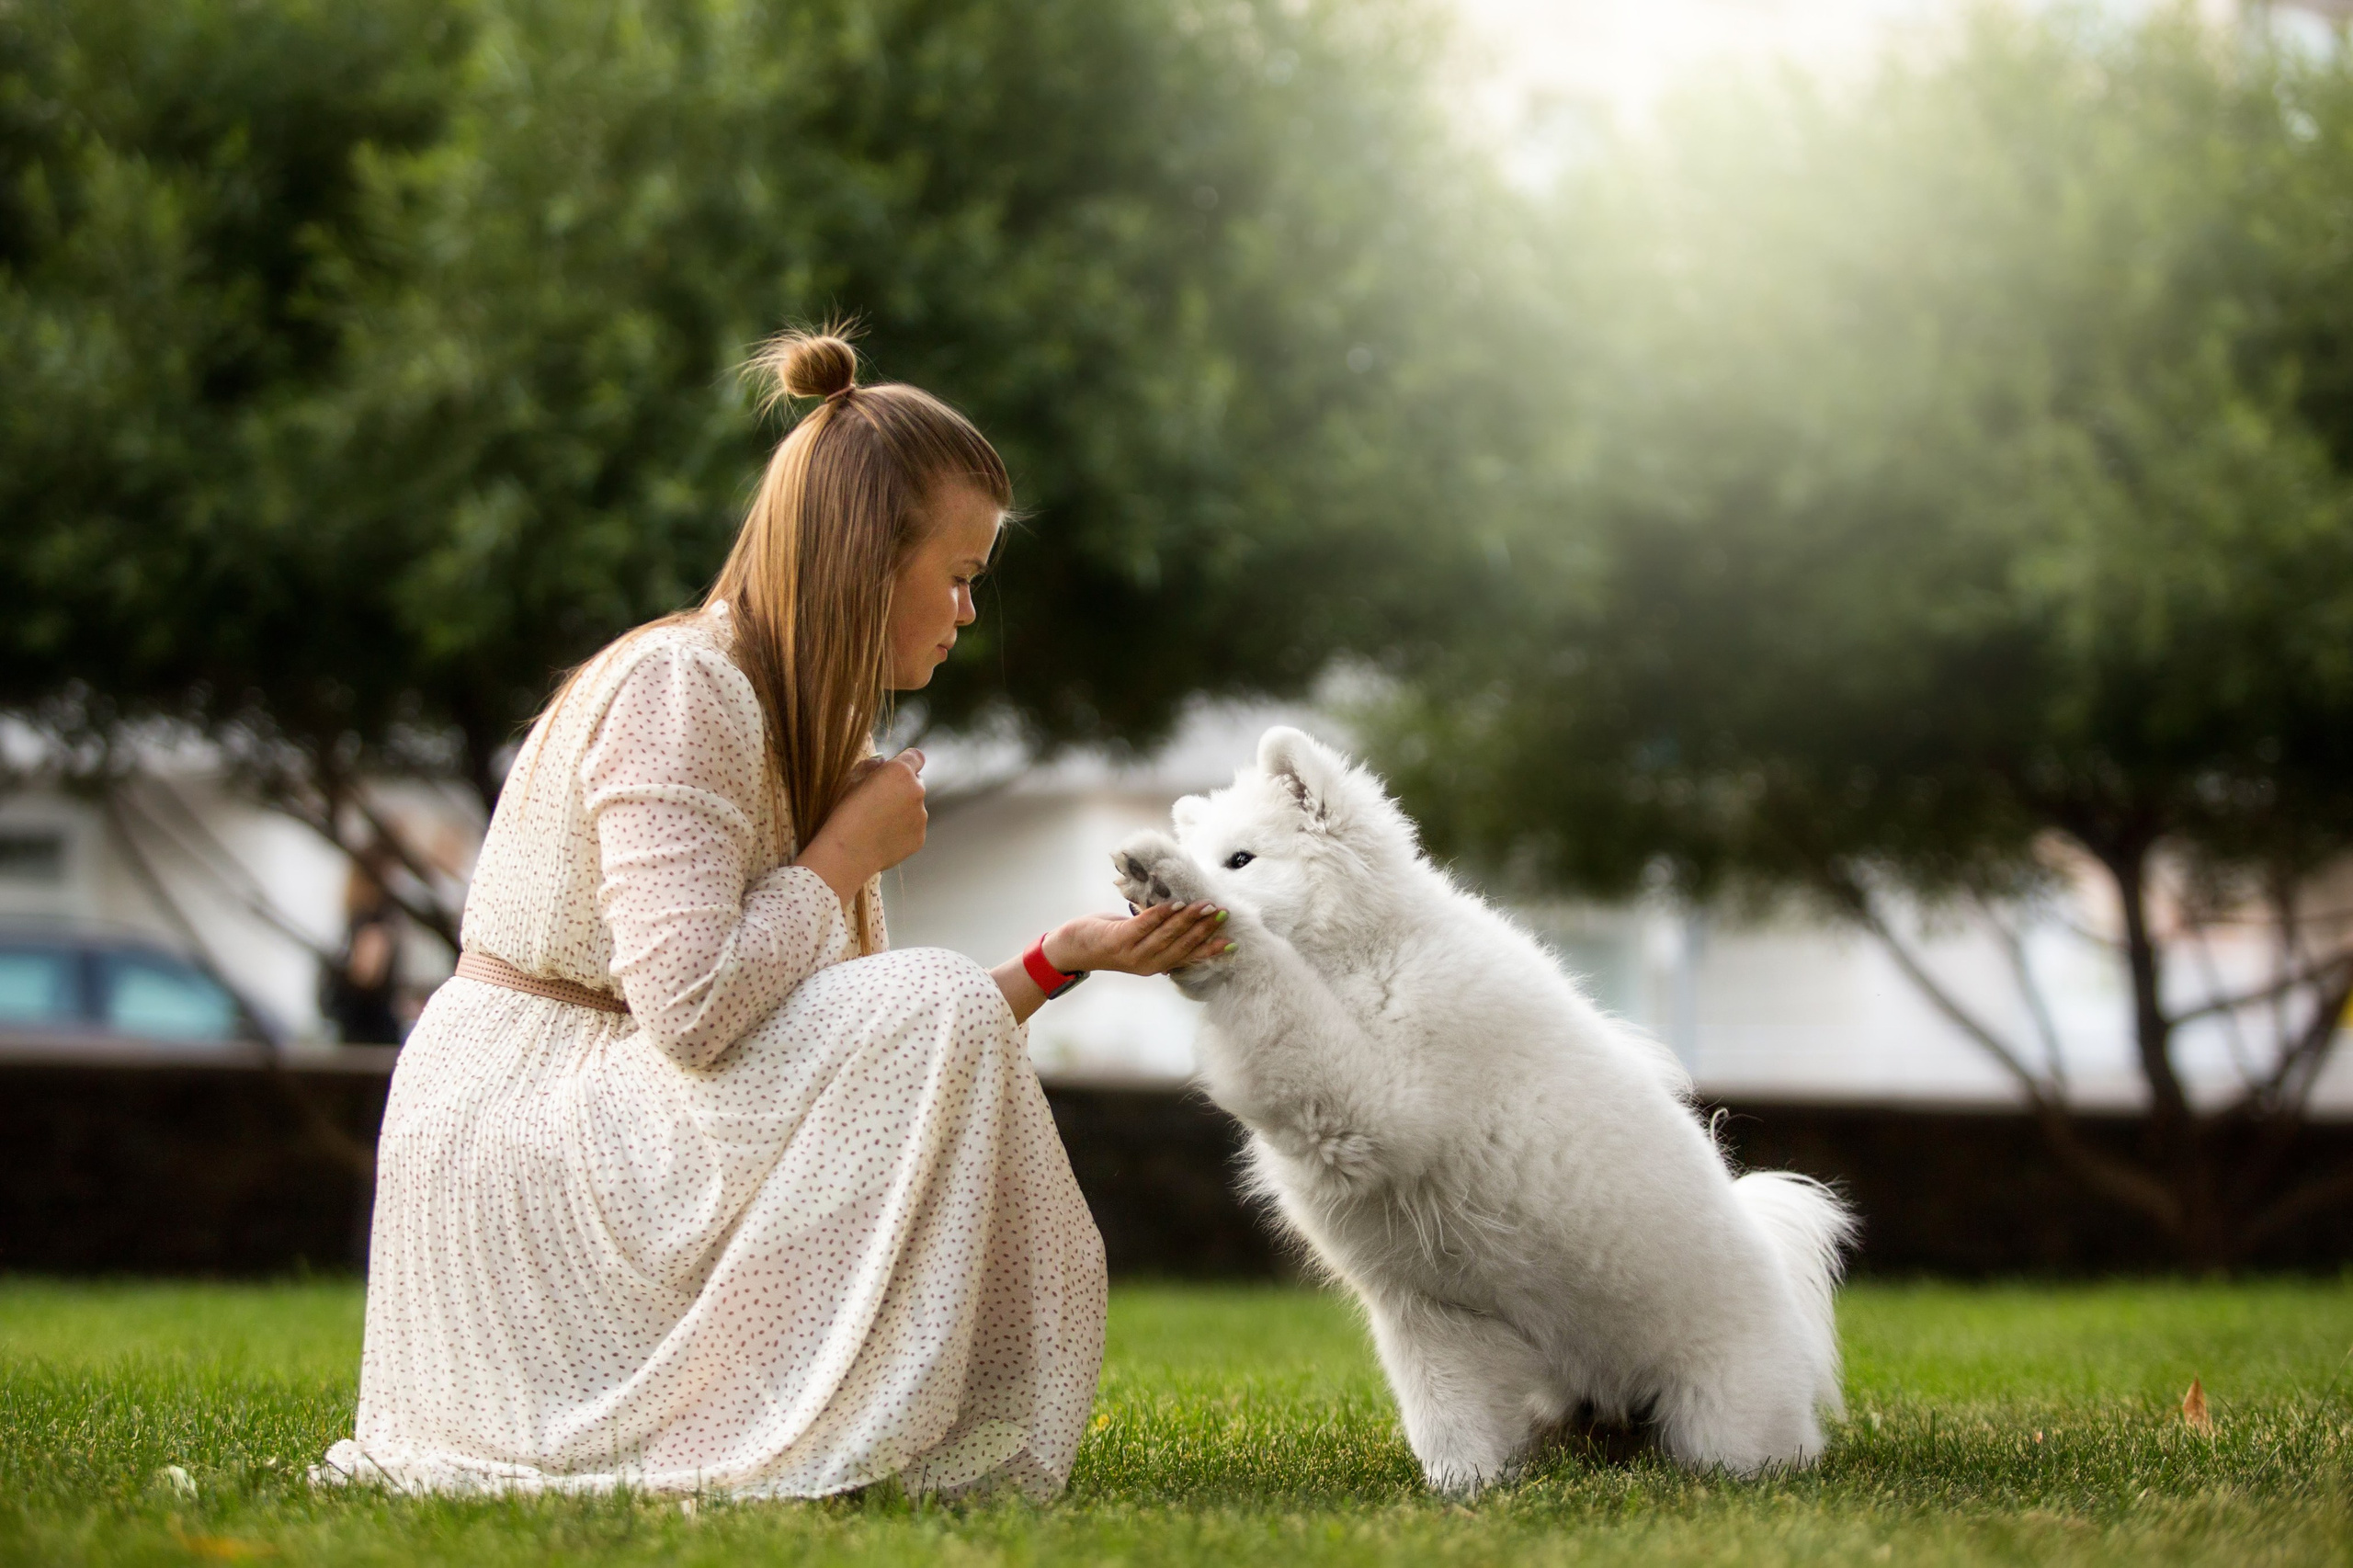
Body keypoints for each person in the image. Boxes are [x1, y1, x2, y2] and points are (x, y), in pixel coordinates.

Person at [319, 330, 1231, 1499]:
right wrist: (845, 849)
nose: (964, 610)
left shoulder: (808, 730)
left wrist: (1062, 960)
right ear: (863, 559)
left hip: (616, 1114)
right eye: (955, 574)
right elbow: (696, 1011)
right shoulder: (682, 686)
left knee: (930, 996)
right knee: (921, 993)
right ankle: (792, 1435)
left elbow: (866, 1051)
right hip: (526, 1137)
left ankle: (818, 1428)